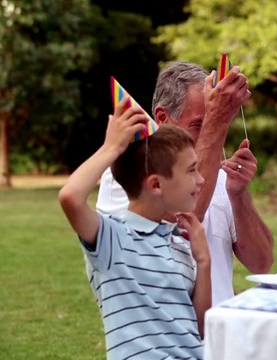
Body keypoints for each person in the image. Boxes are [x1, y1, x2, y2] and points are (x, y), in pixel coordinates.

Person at [96, 62, 273, 305]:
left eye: (215, 121)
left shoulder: (219, 173)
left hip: (216, 333)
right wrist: (217, 121)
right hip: (164, 335)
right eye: (199, 124)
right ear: (162, 117)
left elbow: (261, 264)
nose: (211, 131)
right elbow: (185, 217)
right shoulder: (129, 173)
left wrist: (238, 194)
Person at [58, 100, 211, 359]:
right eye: (191, 170)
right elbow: (70, 196)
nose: (201, 179)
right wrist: (111, 147)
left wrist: (203, 261)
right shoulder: (112, 239)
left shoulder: (178, 241)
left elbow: (198, 328)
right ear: (156, 185)